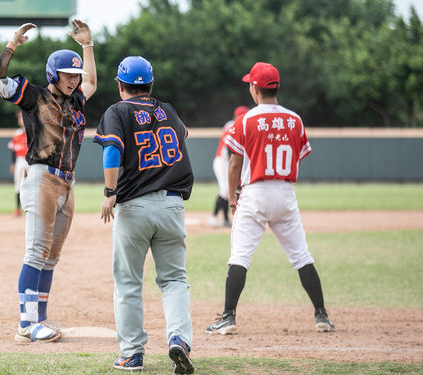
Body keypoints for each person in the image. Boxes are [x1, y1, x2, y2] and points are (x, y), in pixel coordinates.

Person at [0, 19, 97, 342]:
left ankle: (41, 318)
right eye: (68, 75)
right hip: (41, 178)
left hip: (67, 183)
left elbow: (92, 82)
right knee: (36, 252)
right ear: (53, 75)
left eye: (75, 75)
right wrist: (11, 45)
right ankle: (26, 323)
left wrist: (86, 45)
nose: (74, 80)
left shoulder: (76, 101)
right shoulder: (33, 96)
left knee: (52, 256)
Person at [205, 62, 335, 335]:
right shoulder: (295, 119)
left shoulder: (246, 120)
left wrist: (231, 198)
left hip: (255, 192)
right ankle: (321, 315)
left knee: (239, 256)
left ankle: (228, 317)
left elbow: (234, 165)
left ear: (255, 88)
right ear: (276, 87)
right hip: (285, 193)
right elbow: (298, 155)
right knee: (301, 256)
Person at [94, 56, 195, 374]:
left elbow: (112, 150)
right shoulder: (168, 111)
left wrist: (110, 193)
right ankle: (179, 338)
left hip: (134, 206)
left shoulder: (117, 111)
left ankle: (132, 354)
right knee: (174, 279)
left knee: (128, 282)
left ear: (121, 85)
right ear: (150, 85)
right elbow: (183, 134)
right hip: (172, 204)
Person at [208, 105, 249, 227]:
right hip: (223, 161)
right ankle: (215, 216)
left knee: (226, 190)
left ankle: (224, 219)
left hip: (226, 161)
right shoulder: (232, 125)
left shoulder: (234, 125)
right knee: (226, 190)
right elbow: (228, 149)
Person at [7, 110, 29, 217]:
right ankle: (17, 209)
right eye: (19, 118)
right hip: (20, 160)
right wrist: (12, 164)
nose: (20, 120)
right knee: (18, 185)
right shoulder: (17, 134)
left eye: (21, 117)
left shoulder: (33, 131)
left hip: (31, 161)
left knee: (33, 186)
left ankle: (32, 209)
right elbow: (12, 150)